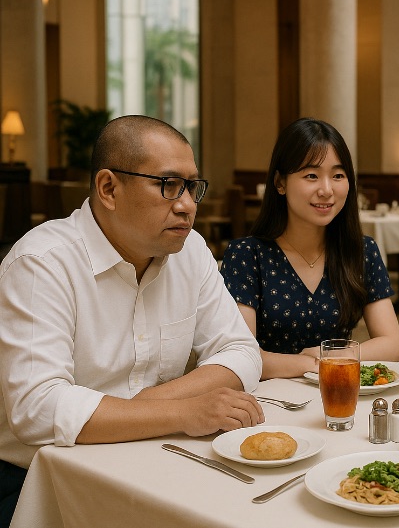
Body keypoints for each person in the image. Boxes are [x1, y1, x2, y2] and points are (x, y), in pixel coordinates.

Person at [0, 116, 264, 527]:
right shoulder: (42, 263)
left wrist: (144, 406)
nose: (187, 205)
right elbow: (37, 410)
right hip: (38, 478)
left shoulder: (190, 250)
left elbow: (241, 350)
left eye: (192, 187)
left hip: (152, 455)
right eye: (168, 185)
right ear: (109, 188)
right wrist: (183, 413)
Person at [221, 117, 399, 379]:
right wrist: (312, 364)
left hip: (339, 392)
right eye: (311, 176)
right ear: (280, 183)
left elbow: (391, 344)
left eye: (338, 175)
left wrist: (328, 356)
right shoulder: (247, 255)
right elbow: (244, 355)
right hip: (269, 396)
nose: (326, 190)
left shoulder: (361, 251)